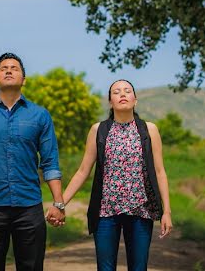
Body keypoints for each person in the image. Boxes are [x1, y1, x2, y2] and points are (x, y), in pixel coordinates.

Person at [0, 52, 66, 271]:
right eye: (3, 68)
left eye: (14, 68)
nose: (8, 70)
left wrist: (58, 203)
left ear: (23, 79)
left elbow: (50, 162)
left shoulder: (40, 116)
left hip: (30, 208)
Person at [55, 79, 172, 271]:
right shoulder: (98, 130)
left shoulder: (149, 130)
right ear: (110, 101)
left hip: (141, 211)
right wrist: (60, 204)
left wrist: (166, 211)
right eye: (116, 92)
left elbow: (160, 172)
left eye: (127, 91)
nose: (123, 94)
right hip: (105, 212)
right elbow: (83, 171)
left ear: (135, 99)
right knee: (105, 268)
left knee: (138, 267)